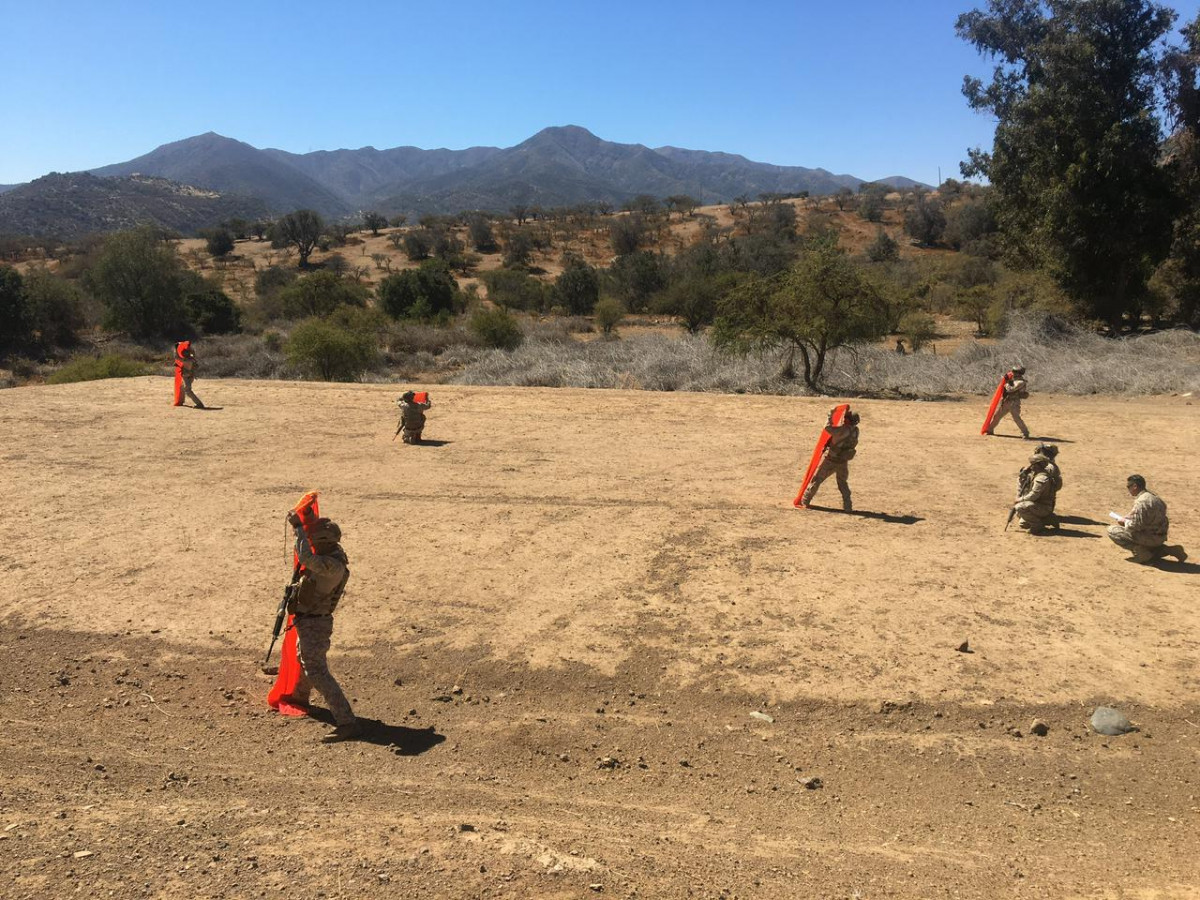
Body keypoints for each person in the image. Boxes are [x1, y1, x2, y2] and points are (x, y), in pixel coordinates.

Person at [285, 510, 361, 742]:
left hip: (315, 623)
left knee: (317, 671)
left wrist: (298, 529)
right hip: (311, 619)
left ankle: (346, 720)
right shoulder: (333, 556)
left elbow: (306, 558)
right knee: (304, 659)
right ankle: (300, 697)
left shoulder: (331, 565)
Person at [1107, 475, 1187, 563]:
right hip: (1160, 536)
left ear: (1135, 486)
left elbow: (1136, 526)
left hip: (1149, 538)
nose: (1128, 489)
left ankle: (1142, 554)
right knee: (1147, 542)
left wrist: (1124, 522)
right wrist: (1129, 517)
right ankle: (1170, 550)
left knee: (1112, 531)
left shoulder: (1141, 501)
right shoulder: (1155, 498)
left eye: (1128, 486)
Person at [801, 407, 860, 511]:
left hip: (831, 460)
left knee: (817, 480)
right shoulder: (856, 431)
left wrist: (831, 414)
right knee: (842, 483)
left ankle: (805, 501)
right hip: (843, 461)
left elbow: (827, 428)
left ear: (848, 420)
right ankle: (848, 506)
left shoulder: (841, 430)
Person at [1012, 455, 1058, 534]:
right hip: (1036, 505)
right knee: (1023, 523)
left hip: (1044, 507)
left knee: (1020, 507)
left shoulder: (1041, 478)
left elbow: (1034, 496)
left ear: (1038, 465)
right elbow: (1024, 487)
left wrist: (1019, 500)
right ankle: (1048, 519)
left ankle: (1037, 526)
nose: (1030, 466)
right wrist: (1022, 476)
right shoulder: (1035, 474)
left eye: (1032, 464)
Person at [986, 365, 1029, 439]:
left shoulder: (1020, 382)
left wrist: (1006, 383)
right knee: (997, 416)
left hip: (1014, 403)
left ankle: (1025, 432)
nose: (1013, 373)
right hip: (1006, 401)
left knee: (1016, 418)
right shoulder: (1014, 380)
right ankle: (990, 430)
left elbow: (1011, 389)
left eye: (1015, 371)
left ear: (1019, 373)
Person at [177, 343, 205, 409]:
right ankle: (180, 401)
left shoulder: (186, 360)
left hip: (187, 377)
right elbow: (193, 353)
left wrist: (176, 348)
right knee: (181, 388)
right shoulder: (192, 359)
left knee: (188, 391)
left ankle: (199, 403)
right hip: (190, 376)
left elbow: (177, 357)